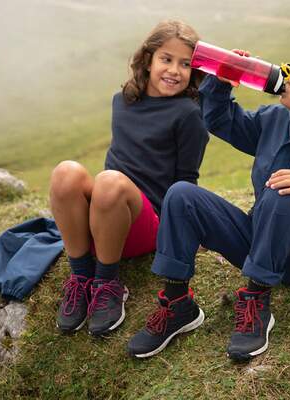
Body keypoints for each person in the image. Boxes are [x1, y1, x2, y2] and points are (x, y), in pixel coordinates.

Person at [127, 48, 290, 360]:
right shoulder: (277, 120)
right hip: (258, 238)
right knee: (181, 195)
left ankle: (257, 300)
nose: (289, 77)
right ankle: (178, 304)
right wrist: (222, 82)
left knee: (281, 191)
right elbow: (223, 121)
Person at [50, 20, 209, 336]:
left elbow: (186, 182)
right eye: (166, 59)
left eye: (185, 64)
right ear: (148, 59)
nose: (174, 70)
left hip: (148, 223)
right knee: (65, 172)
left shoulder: (188, 114)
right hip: (105, 217)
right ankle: (81, 277)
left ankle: (107, 283)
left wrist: (188, 234)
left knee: (109, 181)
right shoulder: (121, 101)